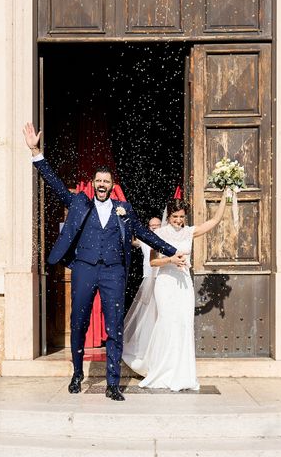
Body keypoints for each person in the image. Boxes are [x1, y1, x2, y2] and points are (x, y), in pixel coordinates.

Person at [23, 122, 186, 401]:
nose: (101, 185)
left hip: (114, 272)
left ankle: (113, 383)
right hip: (85, 269)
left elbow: (146, 233)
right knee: (78, 323)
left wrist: (172, 251)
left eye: (106, 182)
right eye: (98, 181)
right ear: (93, 183)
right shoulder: (79, 203)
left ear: (112, 186)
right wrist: (36, 151)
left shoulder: (124, 211)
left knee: (114, 327)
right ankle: (77, 374)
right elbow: (54, 183)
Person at [123, 192, 227, 391]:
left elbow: (215, 220)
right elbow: (153, 262)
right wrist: (170, 259)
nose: (178, 221)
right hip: (165, 282)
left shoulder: (189, 232)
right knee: (167, 322)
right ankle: (162, 369)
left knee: (183, 323)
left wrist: (225, 195)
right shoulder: (159, 234)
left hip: (184, 283)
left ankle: (182, 373)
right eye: (175, 217)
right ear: (168, 217)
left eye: (181, 217)